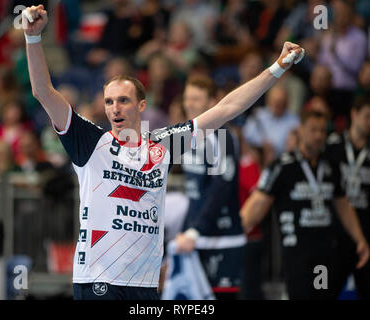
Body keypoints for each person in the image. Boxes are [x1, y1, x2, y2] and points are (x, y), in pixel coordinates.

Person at [23, 4, 305, 300]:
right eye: (109, 102)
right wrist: (33, 39)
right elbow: (43, 91)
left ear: (142, 105)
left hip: (145, 285)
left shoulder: (163, 145)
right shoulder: (91, 142)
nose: (114, 108)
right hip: (98, 281)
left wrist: (278, 67)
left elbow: (227, 109)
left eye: (123, 100)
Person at [240, 110, 370, 300]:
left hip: (325, 255)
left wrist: (360, 239)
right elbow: (258, 202)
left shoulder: (331, 166)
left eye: (322, 131)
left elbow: (343, 205)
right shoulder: (282, 166)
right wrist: (235, 232)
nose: (318, 136)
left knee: (322, 297)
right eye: (313, 130)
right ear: (300, 130)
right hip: (296, 253)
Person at [174, 75, 244, 299]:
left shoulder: (221, 136)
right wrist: (187, 230)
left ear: (213, 102)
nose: (189, 104)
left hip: (223, 238)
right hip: (195, 238)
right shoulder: (186, 135)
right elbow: (196, 193)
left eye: (196, 99)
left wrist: (196, 230)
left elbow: (220, 190)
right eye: (187, 98)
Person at [325, 95, 370, 299]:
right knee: (324, 291)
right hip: (335, 235)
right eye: (367, 116)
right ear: (354, 114)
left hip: (366, 234)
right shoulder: (332, 145)